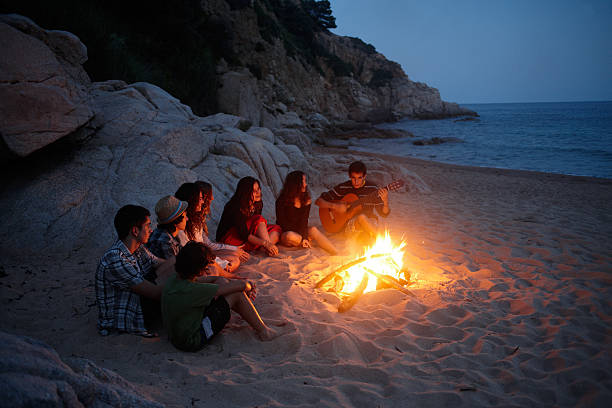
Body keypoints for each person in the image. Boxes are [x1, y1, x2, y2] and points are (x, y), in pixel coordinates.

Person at [162, 241, 282, 351]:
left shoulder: (175, 279)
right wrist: (249, 285)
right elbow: (241, 286)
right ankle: (264, 331)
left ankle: (256, 320)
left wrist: (220, 279)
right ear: (199, 270)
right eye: (205, 268)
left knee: (224, 283)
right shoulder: (193, 290)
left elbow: (208, 280)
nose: (207, 270)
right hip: (193, 340)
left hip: (178, 332)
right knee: (236, 294)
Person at [95, 205, 175, 337]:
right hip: (130, 316)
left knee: (177, 263)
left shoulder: (138, 248)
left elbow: (164, 264)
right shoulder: (115, 259)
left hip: (140, 298)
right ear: (135, 231)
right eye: (148, 226)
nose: (151, 230)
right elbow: (155, 293)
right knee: (179, 285)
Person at [175, 182, 249, 275]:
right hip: (198, 259)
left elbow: (207, 244)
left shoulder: (196, 220)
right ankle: (224, 271)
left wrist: (233, 249)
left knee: (234, 257)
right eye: (201, 198)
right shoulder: (182, 225)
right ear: (192, 200)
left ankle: (225, 269)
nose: (212, 198)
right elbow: (190, 253)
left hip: (203, 254)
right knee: (233, 258)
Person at [315, 161, 390, 242]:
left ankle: (371, 239)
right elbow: (318, 201)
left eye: (359, 178)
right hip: (349, 226)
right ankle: (381, 242)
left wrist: (385, 201)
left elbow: (384, 214)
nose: (356, 182)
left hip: (370, 221)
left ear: (364, 176)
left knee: (368, 226)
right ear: (349, 176)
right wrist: (335, 206)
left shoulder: (373, 189)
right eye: (353, 178)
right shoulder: (343, 187)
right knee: (361, 217)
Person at [276, 170, 338, 255]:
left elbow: (304, 222)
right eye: (303, 181)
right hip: (286, 233)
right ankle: (305, 243)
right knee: (289, 235)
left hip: (300, 232)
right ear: (296, 184)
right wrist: (302, 238)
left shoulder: (306, 200)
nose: (306, 184)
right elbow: (282, 223)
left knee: (313, 230)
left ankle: (335, 251)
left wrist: (304, 236)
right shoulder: (281, 201)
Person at [216, 176, 281, 256]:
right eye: (254, 191)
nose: (258, 192)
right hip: (230, 238)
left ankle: (265, 248)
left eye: (258, 189)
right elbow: (244, 234)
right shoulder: (235, 206)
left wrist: (264, 241)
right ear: (245, 193)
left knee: (276, 228)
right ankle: (267, 247)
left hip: (247, 235)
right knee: (259, 219)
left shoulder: (257, 203)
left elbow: (257, 227)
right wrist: (265, 243)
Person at [146, 195, 189, 260]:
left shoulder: (161, 233)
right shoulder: (166, 242)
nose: (187, 219)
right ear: (177, 220)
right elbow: (176, 267)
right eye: (185, 216)